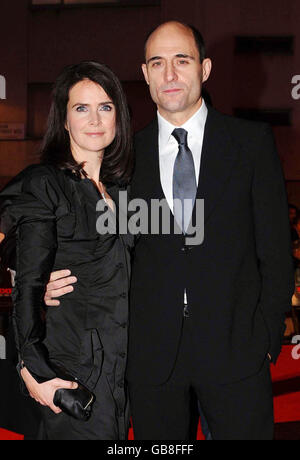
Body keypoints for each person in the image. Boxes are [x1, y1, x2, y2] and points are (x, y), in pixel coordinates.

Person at [44, 21, 294, 440]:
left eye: (182, 60)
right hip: (151, 358)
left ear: (205, 68)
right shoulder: (123, 155)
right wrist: (43, 275)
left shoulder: (251, 143)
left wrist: (266, 336)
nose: (170, 74)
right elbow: (77, 228)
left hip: (237, 353)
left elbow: (275, 249)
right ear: (145, 74)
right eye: (158, 63)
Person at [0, 61, 134, 440]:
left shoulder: (123, 191)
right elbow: (25, 281)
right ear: (63, 120)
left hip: (119, 375)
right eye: (81, 108)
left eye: (105, 107)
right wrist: (33, 371)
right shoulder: (45, 182)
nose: (95, 119)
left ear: (118, 117)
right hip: (69, 371)